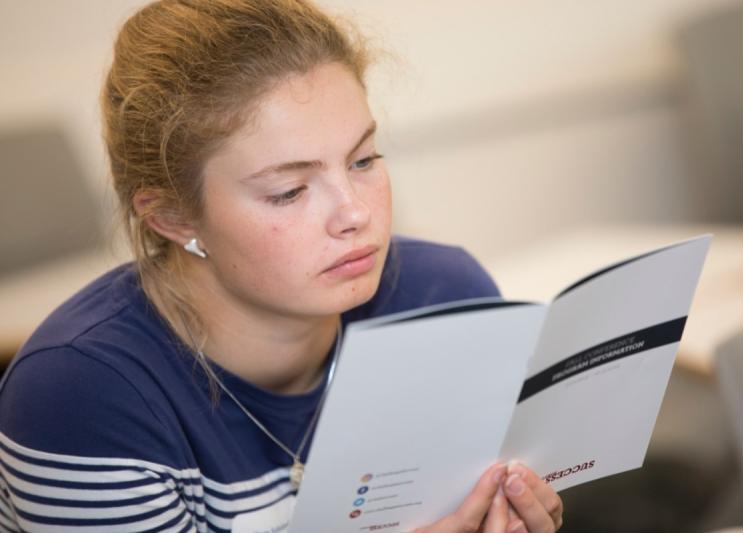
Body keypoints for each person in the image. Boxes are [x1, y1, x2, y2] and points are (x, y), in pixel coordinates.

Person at [0, 1, 563, 531]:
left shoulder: (445, 297)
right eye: (289, 191)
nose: (355, 212)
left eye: (364, 160)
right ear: (172, 217)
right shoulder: (81, 392)